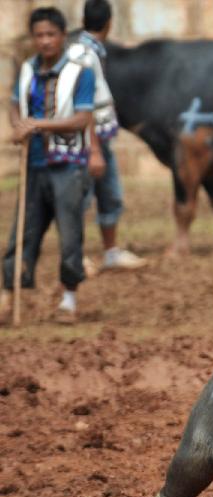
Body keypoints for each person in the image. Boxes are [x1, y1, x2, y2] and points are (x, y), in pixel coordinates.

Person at [0, 7, 98, 325]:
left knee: (70, 235)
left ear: (61, 36)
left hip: (68, 166)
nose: (45, 41)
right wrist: (18, 126)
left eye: (51, 34)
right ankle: (8, 296)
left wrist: (38, 125)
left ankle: (68, 300)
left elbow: (82, 118)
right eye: (39, 35)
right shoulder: (28, 68)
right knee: (23, 232)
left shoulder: (80, 71)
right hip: (34, 163)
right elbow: (15, 103)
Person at [75, 0, 147, 271]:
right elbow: (84, 102)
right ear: (109, 23)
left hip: (98, 137)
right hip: (88, 138)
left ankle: (110, 251)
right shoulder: (83, 53)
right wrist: (93, 148)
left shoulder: (92, 50)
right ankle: (77, 254)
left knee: (109, 194)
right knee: (83, 196)